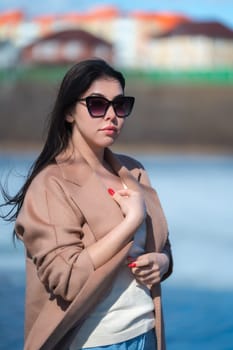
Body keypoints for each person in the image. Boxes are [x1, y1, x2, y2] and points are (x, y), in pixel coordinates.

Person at [1, 58, 173, 350]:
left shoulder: (134, 173)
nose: (111, 116)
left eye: (120, 105)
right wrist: (131, 222)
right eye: (96, 104)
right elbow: (65, 277)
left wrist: (163, 263)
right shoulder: (52, 184)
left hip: (146, 333)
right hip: (93, 342)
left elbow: (162, 246)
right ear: (69, 111)